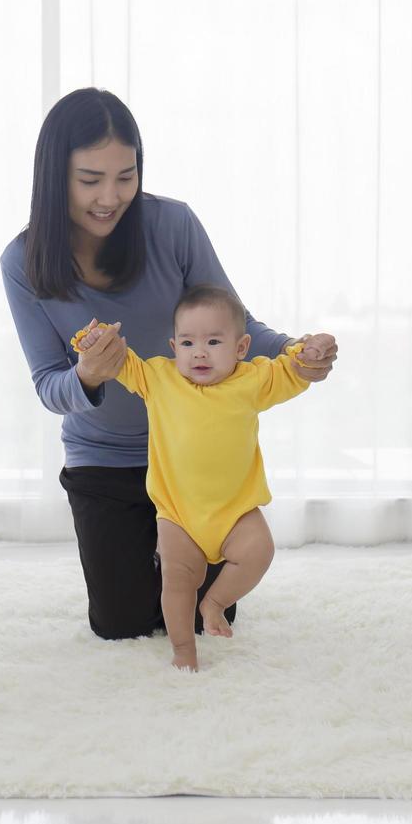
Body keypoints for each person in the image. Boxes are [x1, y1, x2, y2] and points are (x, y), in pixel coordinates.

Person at [0, 86, 339, 645]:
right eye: (90, 180)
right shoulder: (24, 263)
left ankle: (186, 570)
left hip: (195, 463)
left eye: (125, 176)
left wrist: (298, 356)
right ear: (54, 176)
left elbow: (237, 324)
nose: (111, 196)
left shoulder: (172, 226)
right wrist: (87, 375)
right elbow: (47, 385)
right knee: (123, 623)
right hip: (105, 464)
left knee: (210, 613)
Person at [69, 284, 327, 671]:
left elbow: (293, 373)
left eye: (213, 341)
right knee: (176, 582)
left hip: (235, 511)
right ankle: (183, 650)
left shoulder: (252, 380)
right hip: (179, 515)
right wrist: (91, 341)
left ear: (241, 349)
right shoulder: (159, 378)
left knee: (260, 551)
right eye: (188, 343)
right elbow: (121, 362)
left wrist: (308, 351)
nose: (199, 352)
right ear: (174, 347)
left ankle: (215, 602)